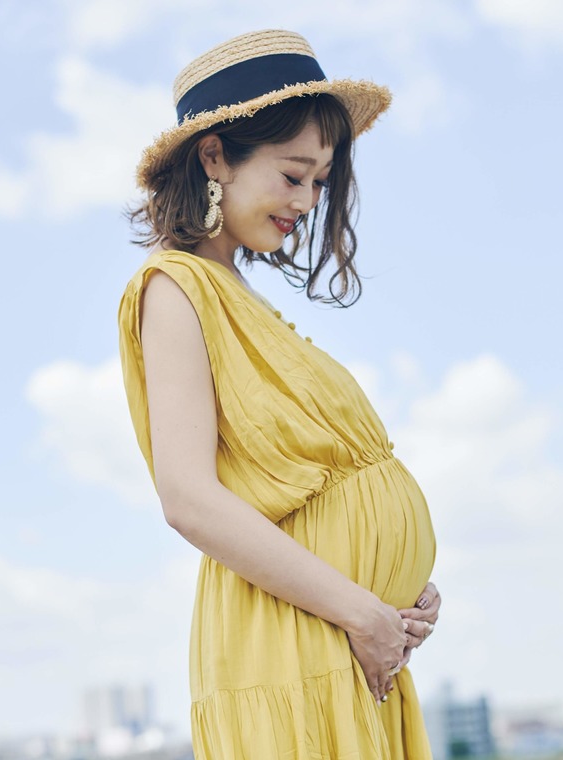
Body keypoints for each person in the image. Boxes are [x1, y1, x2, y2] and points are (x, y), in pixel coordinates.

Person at [118, 29, 442, 759]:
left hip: (344, 640)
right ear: (213, 155)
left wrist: (400, 596)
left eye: (321, 182)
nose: (308, 200)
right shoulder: (175, 290)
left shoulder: (240, 297)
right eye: (293, 174)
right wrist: (364, 611)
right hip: (296, 644)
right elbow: (188, 499)